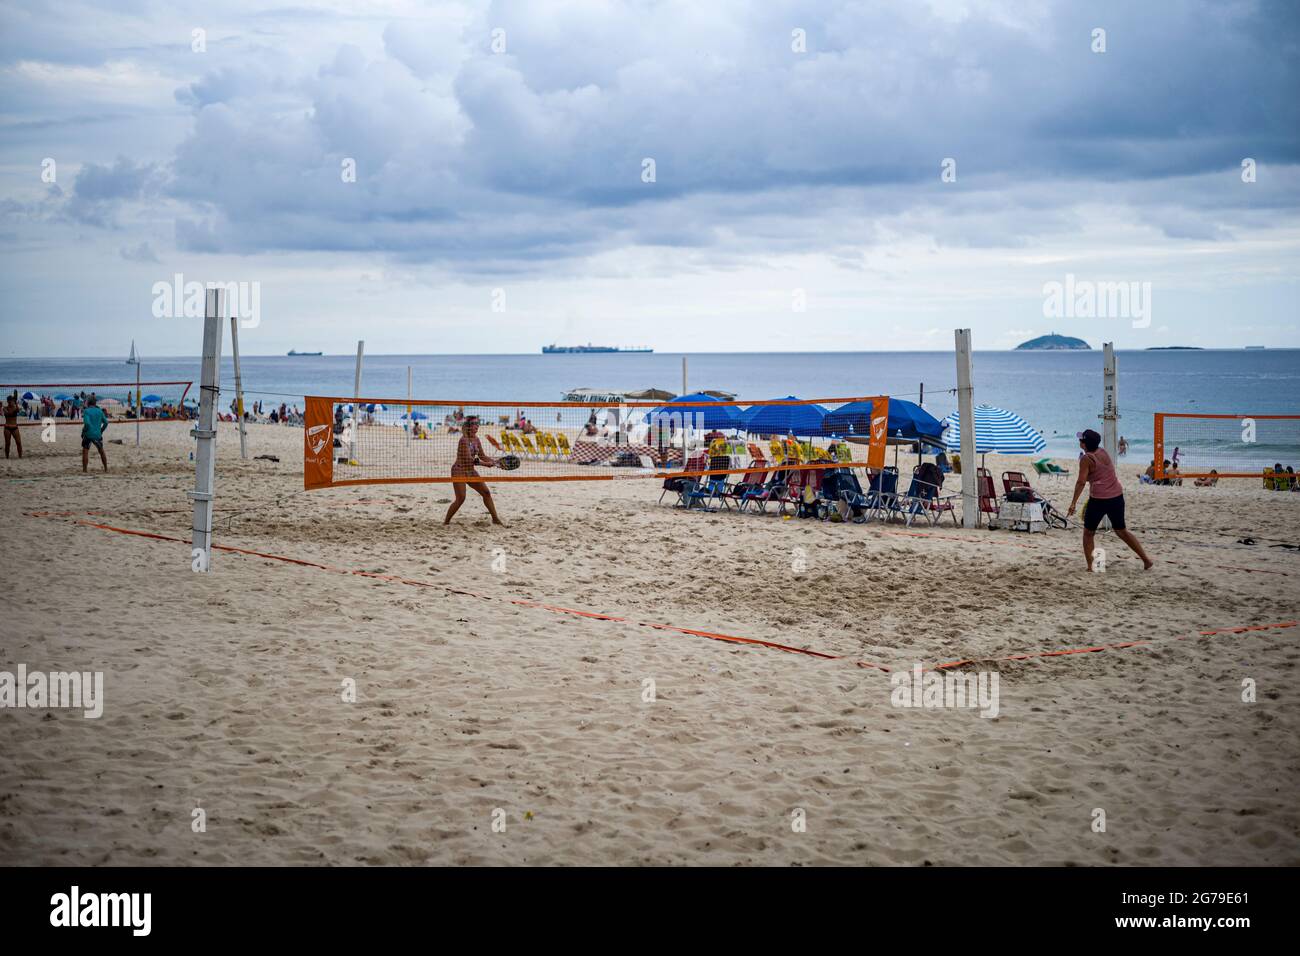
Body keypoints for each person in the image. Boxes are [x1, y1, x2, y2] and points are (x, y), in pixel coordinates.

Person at [1068, 428, 1153, 571]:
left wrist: (1073, 503)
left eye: (1081, 440)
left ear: (1084, 444)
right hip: (1117, 496)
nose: (1079, 441)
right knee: (1121, 531)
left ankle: (1091, 567)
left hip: (1099, 499)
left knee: (1088, 533)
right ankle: (1146, 560)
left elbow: (1081, 482)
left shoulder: (1086, 459)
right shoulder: (1103, 452)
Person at [444, 416, 504, 525]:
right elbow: (469, 460)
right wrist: (486, 465)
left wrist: (496, 462)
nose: (477, 426)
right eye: (474, 424)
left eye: (478, 423)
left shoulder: (476, 439)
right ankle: (446, 522)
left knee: (486, 493)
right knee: (461, 498)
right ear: (468, 427)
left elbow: (482, 456)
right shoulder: (463, 440)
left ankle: (495, 519)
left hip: (471, 471)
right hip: (459, 471)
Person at [80, 394, 109, 473]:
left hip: (88, 434)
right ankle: (106, 468)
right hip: (97, 434)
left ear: (88, 403)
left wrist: (83, 431)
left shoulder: (86, 411)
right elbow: (106, 423)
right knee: (101, 451)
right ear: (95, 403)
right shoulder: (99, 411)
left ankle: (85, 470)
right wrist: (101, 431)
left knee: (85, 451)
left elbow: (87, 424)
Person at [4, 391, 22, 459]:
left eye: (12, 401)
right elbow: (9, 414)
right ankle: (7, 457)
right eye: (11, 401)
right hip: (7, 428)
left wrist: (16, 403)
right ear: (8, 401)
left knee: (19, 443)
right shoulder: (5, 408)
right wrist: (15, 405)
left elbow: (18, 410)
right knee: (7, 444)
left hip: (15, 427)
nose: (12, 402)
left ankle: (20, 457)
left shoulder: (15, 407)